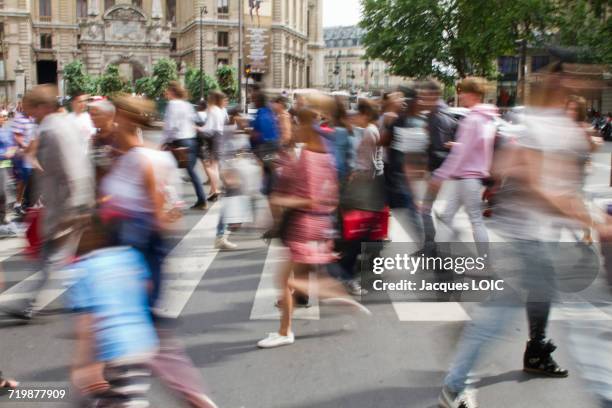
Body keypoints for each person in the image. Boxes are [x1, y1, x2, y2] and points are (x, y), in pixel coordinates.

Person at [437, 67, 597, 408]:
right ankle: (456, 382)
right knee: (500, 314)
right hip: (527, 234)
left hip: (537, 233)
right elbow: (531, 182)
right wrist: (589, 220)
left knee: (533, 301)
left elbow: (513, 170)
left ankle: (533, 350)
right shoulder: (537, 125)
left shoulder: (549, 126)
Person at [257, 93, 368, 349]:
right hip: (319, 222)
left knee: (288, 281)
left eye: (296, 123)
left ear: (306, 127)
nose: (292, 128)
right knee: (295, 279)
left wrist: (281, 200)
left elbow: (309, 199)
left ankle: (328, 300)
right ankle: (291, 325)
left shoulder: (308, 157)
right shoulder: (324, 153)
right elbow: (328, 196)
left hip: (304, 223)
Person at [11, 85, 95, 320]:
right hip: (64, 200)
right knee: (56, 255)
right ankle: (32, 304)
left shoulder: (54, 130)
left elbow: (73, 166)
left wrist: (78, 206)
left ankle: (32, 304)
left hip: (66, 203)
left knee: (56, 255)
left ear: (44, 107)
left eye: (32, 111)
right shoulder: (62, 124)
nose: (31, 117)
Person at [427, 78, 497, 249]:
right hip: (470, 177)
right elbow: (478, 147)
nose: (460, 95)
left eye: (463, 92)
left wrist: (439, 176)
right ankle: (441, 256)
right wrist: (459, 145)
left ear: (473, 95)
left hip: (466, 178)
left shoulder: (472, 120)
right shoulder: (486, 119)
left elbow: (459, 155)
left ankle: (483, 265)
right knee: (449, 216)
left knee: (473, 220)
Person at [163, 81, 207, 210]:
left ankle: (172, 202)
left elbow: (170, 126)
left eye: (167, 91)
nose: (166, 93)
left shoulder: (172, 104)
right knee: (192, 172)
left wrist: (163, 142)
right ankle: (201, 200)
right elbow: (192, 121)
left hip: (179, 141)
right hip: (192, 141)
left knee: (166, 169)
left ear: (172, 92)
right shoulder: (187, 104)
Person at [201, 91, 226, 202]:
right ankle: (213, 190)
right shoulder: (221, 110)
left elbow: (208, 127)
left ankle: (215, 189)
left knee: (209, 165)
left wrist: (197, 128)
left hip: (213, 138)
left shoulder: (212, 110)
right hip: (220, 136)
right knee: (214, 165)